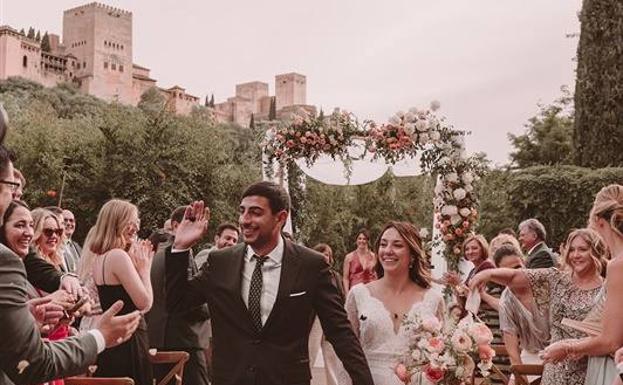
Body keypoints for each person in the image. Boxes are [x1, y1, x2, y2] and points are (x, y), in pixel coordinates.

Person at [165, 181, 373, 385]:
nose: (245, 220)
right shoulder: (221, 262)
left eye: (255, 212)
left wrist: (364, 380)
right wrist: (180, 248)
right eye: (242, 211)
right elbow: (178, 304)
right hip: (231, 379)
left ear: (280, 218)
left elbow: (339, 331)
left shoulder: (311, 265)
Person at [0, 143, 142, 385]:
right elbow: (32, 364)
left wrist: (28, 317)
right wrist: (100, 336)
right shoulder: (7, 261)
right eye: (12, 187)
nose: (15, 196)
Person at [469, 228, 606, 385]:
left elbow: (609, 338)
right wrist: (487, 274)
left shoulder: (607, 289)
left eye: (583, 249)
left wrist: (571, 348)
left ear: (596, 251)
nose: (575, 255)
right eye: (572, 250)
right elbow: (516, 276)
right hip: (555, 372)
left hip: (590, 370)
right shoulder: (556, 278)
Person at [338, 221, 444, 385]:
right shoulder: (359, 294)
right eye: (383, 244)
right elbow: (347, 352)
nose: (388, 251)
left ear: (413, 254)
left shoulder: (433, 299)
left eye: (397, 245)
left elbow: (439, 355)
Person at [540, 184, 623, 385]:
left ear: (597, 220)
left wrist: (568, 346)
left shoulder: (618, 266)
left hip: (613, 369)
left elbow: (611, 340)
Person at [85, 199, 154, 385]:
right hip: (129, 341)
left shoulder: (100, 258)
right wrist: (145, 269)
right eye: (130, 222)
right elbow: (145, 303)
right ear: (116, 222)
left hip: (111, 340)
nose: (136, 227)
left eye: (137, 222)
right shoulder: (118, 256)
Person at [146, 206, 210, 385]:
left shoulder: (156, 255)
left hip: (158, 337)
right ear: (176, 225)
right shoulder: (180, 255)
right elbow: (185, 300)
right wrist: (213, 306)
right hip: (183, 338)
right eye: (190, 221)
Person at [493, 245, 549, 385]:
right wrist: (520, 376)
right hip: (530, 352)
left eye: (518, 266)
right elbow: (511, 344)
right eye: (508, 270)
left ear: (524, 263)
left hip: (559, 350)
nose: (515, 273)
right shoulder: (506, 301)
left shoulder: (543, 284)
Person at [309, 243, 344, 385]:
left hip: (332, 320)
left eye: (327, 254)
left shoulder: (335, 276)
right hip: (315, 318)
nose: (325, 257)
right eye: (322, 254)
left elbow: (341, 296)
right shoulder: (309, 274)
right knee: (310, 352)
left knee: (331, 357)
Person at [342, 229, 377, 293]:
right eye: (359, 238)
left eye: (364, 239)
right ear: (356, 240)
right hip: (355, 292)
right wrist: (347, 294)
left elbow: (377, 276)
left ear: (367, 241)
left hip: (371, 291)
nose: (362, 241)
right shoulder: (349, 257)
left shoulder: (374, 257)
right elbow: (345, 278)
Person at [62, 209, 82, 274]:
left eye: (71, 220)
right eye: (65, 220)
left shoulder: (78, 247)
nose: (68, 223)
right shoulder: (54, 246)